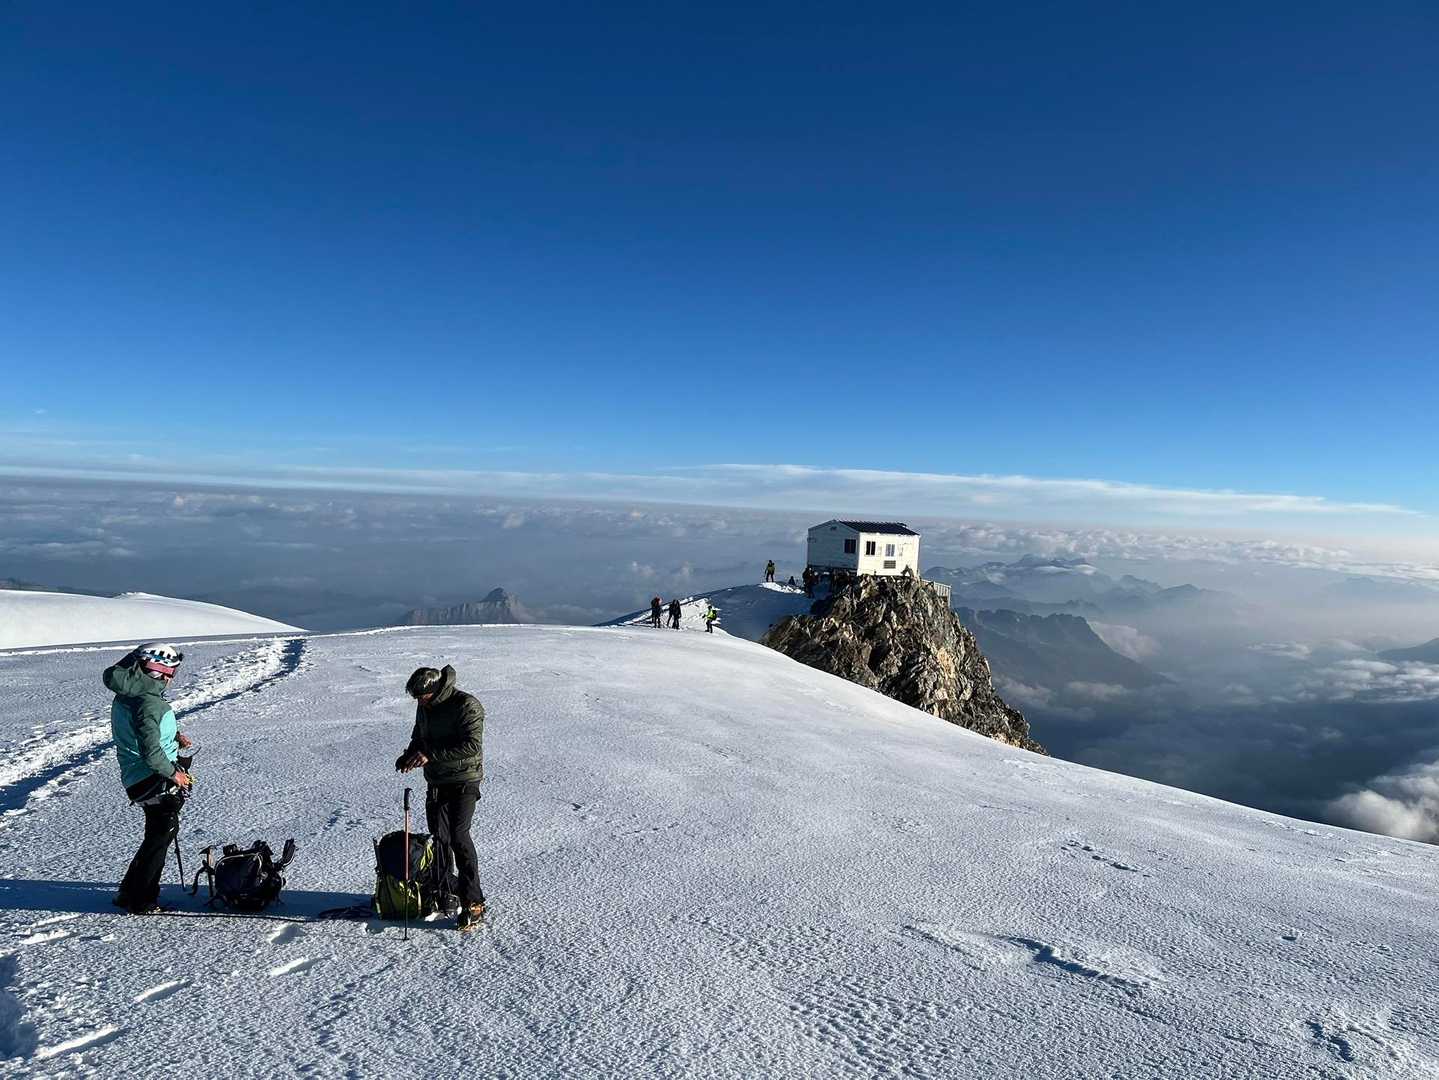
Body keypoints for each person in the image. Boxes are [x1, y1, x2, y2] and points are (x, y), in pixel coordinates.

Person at [396, 665, 487, 929]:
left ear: (436, 690)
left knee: (459, 837)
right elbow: (419, 736)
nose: (419, 702)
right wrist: (409, 755)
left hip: (464, 780)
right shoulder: (425, 705)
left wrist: (430, 754)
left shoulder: (466, 705)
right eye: (416, 698)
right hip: (437, 781)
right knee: (439, 838)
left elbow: (471, 746)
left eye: (422, 697)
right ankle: (446, 890)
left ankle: (474, 902)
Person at [105, 643, 192, 915]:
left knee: (158, 833)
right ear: (159, 671)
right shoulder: (149, 702)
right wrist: (175, 775)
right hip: (151, 778)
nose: (172, 679)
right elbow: (151, 753)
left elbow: (144, 731)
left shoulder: (129, 694)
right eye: (171, 672)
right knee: (162, 833)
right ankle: (142, 900)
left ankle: (128, 892)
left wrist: (174, 737)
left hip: (136, 776)